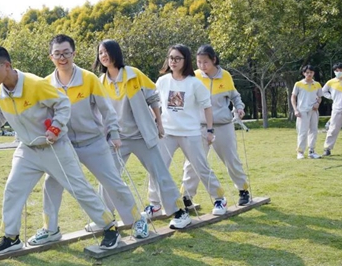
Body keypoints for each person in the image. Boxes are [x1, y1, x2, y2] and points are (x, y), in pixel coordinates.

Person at [0, 45, 120, 255]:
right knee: (12, 189)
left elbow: (63, 103)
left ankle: (109, 228)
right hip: (27, 149)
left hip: (54, 147)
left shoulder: (35, 84)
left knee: (79, 188)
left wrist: (56, 128)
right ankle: (11, 237)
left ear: (7, 65)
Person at [27, 34, 147, 246]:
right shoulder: (45, 84)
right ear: (51, 57)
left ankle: (137, 221)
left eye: (66, 53)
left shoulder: (89, 78)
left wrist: (115, 134)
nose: (62, 58)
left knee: (113, 182)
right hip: (63, 145)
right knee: (51, 185)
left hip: (93, 142)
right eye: (57, 54)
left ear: (74, 53)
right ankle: (50, 228)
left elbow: (107, 110)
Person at [94, 39, 191, 229]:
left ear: (115, 53)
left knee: (159, 174)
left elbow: (152, 97)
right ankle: (105, 217)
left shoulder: (133, 74)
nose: (103, 56)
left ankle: (180, 212)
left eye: (106, 52)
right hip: (116, 139)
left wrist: (159, 123)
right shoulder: (100, 83)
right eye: (100, 53)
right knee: (108, 176)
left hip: (141, 136)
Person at [150, 44, 228, 216]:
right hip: (167, 133)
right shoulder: (162, 81)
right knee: (158, 168)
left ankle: (219, 199)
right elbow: (154, 103)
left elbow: (207, 108)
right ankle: (154, 205)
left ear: (185, 61)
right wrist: (156, 122)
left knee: (201, 168)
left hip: (190, 133)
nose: (173, 62)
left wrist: (209, 131)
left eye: (178, 58)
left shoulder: (194, 83)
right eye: (171, 58)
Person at [182, 45, 251, 206]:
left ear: (213, 60)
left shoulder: (225, 76)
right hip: (199, 126)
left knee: (231, 159)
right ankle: (186, 197)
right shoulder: (194, 77)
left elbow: (235, 96)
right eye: (198, 62)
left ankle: (243, 190)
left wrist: (239, 107)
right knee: (192, 162)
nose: (202, 66)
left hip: (222, 125)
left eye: (205, 62)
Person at [322, 62, 342, 157]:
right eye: (336, 70)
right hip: (336, 109)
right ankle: (327, 148)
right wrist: (331, 96)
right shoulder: (331, 82)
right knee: (332, 130)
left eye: (340, 70)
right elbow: (323, 91)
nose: (339, 72)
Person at [292, 65, 323, 159]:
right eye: (307, 72)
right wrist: (295, 110)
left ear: (314, 73)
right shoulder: (298, 84)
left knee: (313, 130)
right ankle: (300, 152)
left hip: (313, 110)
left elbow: (320, 97)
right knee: (303, 131)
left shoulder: (317, 84)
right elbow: (293, 97)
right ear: (304, 73)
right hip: (302, 110)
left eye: (311, 72)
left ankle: (312, 151)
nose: (309, 74)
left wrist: (317, 103)